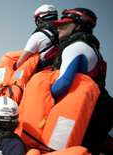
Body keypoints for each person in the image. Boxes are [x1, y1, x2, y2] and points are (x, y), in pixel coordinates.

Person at [51, 8, 113, 154]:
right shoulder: (93, 49)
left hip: (81, 114)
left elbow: (63, 83)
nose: (58, 27)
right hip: (101, 110)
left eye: (64, 24)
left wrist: (44, 95)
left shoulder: (74, 47)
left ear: (78, 26)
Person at [16, 4, 59, 71]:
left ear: (39, 19)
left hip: (45, 75)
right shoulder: (65, 34)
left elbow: (20, 62)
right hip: (63, 72)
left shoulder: (38, 36)